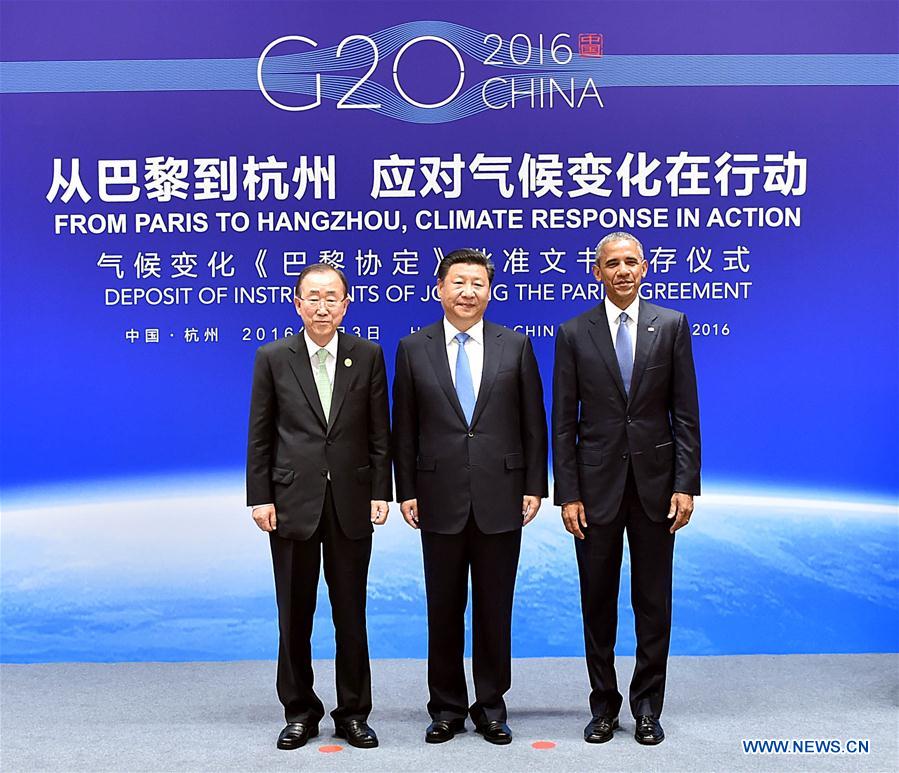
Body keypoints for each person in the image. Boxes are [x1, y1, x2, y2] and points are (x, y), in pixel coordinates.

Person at [392, 249, 548, 745]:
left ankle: (491, 705)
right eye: (458, 282)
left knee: (494, 606)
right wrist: (407, 491)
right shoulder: (412, 348)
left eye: (477, 283)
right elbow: (405, 429)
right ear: (439, 288)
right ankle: (445, 707)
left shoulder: (515, 345)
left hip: (502, 495)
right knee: (443, 607)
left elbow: (533, 424)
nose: (467, 292)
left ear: (489, 290)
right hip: (436, 498)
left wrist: (533, 485)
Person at [552, 232, 701, 746]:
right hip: (593, 491)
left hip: (658, 489)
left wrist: (686, 485)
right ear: (597, 272)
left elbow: (685, 414)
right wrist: (567, 493)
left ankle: (647, 707)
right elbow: (562, 422)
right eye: (611, 263)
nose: (621, 271)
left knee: (652, 600)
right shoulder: (573, 333)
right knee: (597, 601)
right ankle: (602, 706)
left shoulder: (672, 326)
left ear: (645, 268)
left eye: (630, 262)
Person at [246, 264, 391, 750]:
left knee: (351, 612)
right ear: (297, 303)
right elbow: (260, 434)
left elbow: (379, 433)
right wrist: (260, 496)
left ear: (347, 304)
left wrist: (379, 491)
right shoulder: (273, 357)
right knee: (295, 612)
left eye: (333, 297)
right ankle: (299, 709)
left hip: (351, 500)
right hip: (291, 502)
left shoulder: (366, 355)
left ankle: (353, 711)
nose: (323, 306)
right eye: (314, 297)